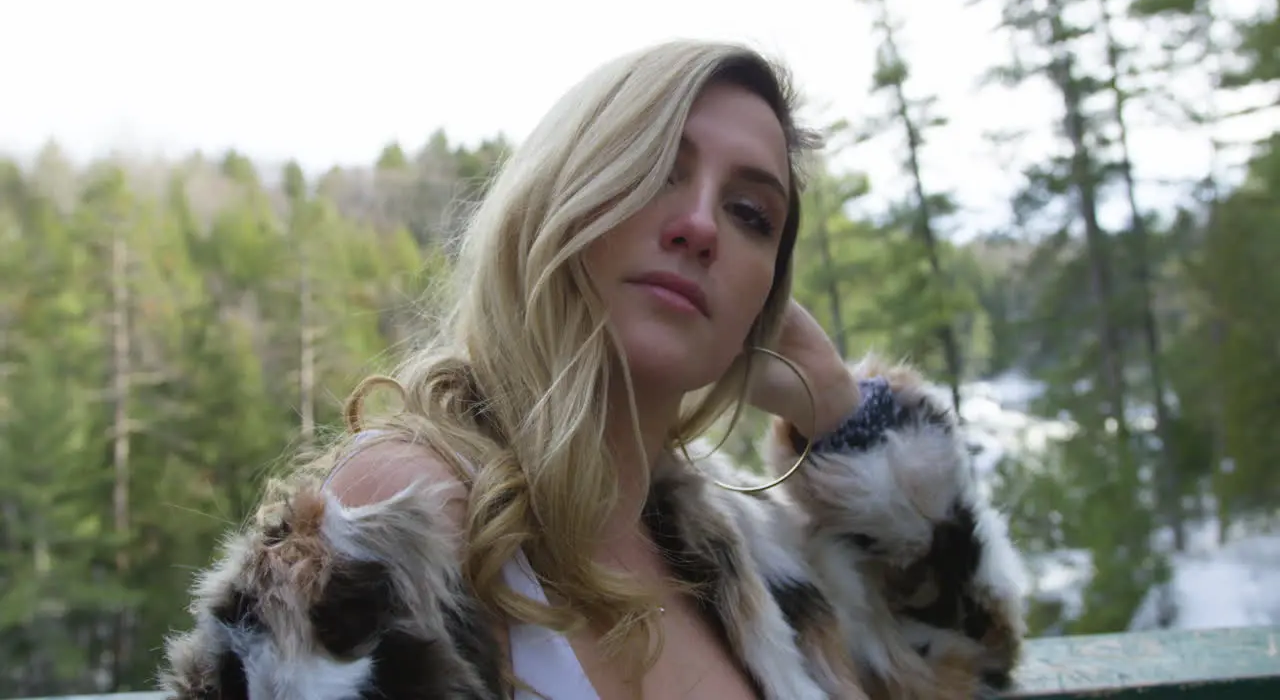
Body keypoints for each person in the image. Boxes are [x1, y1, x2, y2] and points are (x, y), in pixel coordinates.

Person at [158, 40, 1027, 700]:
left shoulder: (745, 549)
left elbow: (967, 672)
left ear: (766, 297)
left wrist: (846, 418)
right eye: (657, 170)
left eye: (752, 212)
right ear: (560, 201)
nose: (700, 226)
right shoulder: (399, 523)